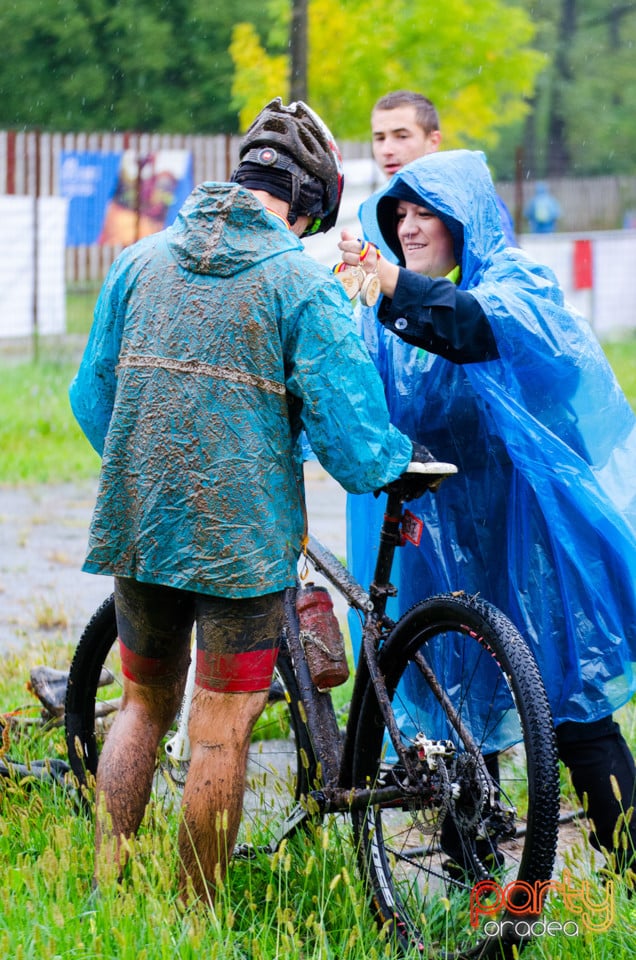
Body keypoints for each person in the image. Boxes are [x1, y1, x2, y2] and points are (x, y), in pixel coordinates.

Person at [69, 97, 454, 901]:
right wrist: (394, 461)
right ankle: (193, 914)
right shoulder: (299, 288)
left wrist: (150, 469)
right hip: (241, 544)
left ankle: (107, 891)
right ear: (308, 203)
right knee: (218, 730)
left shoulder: (138, 263)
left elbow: (88, 398)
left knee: (142, 706)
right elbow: (354, 446)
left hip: (139, 524)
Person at [339, 149, 636, 878]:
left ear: (465, 218)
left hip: (533, 542)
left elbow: (474, 328)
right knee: (458, 719)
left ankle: (631, 868)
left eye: (423, 211)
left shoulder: (516, 286)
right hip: (443, 546)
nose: (407, 227)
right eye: (398, 213)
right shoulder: (394, 315)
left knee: (573, 710)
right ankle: (478, 894)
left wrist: (394, 286)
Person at [364, 89, 517, 251]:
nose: (387, 150)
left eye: (402, 136)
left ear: (433, 141)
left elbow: (503, 271)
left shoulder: (468, 200)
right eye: (380, 138)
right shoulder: (377, 207)